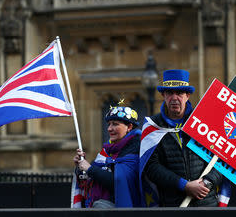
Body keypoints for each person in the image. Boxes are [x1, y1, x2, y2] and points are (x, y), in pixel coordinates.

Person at [139, 69, 224, 207]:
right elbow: (151, 167)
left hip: (206, 203)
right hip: (173, 205)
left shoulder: (203, 122)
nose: (174, 98)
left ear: (187, 95)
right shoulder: (153, 126)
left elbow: (222, 158)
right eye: (169, 93)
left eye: (179, 93)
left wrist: (206, 183)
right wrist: (184, 185)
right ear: (163, 95)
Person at [71, 103, 142, 208]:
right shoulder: (108, 150)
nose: (109, 128)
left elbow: (119, 183)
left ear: (129, 127)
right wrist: (81, 166)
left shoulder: (136, 148)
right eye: (109, 124)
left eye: (115, 124)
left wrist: (90, 169)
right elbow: (90, 178)